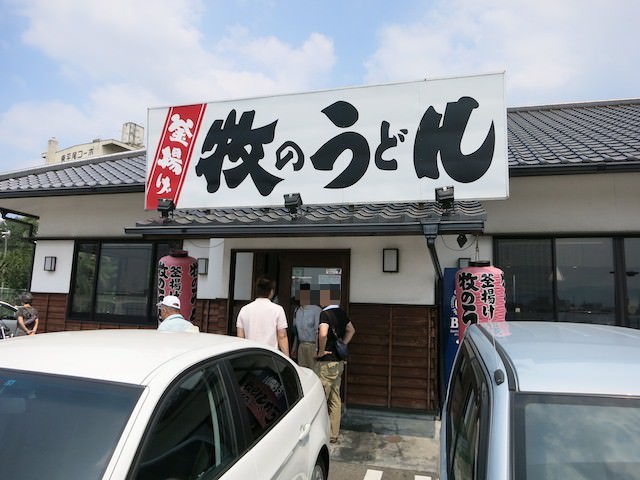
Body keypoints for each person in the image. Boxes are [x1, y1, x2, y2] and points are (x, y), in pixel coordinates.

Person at [315, 303, 355, 443]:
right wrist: (343, 343)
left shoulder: (324, 314)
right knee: (335, 398)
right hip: (339, 362)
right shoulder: (341, 313)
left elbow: (323, 333)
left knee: (320, 397)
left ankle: (317, 433)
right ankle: (333, 434)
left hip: (327, 362)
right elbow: (351, 330)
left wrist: (320, 351)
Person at [236, 274, 289, 356]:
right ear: (271, 291)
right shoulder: (278, 310)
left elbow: (240, 338)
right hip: (270, 357)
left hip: (249, 356)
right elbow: (282, 336)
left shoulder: (244, 310)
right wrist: (287, 358)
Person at [291, 284, 322, 369]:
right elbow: (296, 332)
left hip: (313, 345)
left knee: (314, 372)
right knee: (303, 372)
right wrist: (294, 347)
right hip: (301, 345)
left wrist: (317, 349)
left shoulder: (316, 310)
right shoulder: (297, 310)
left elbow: (318, 332)